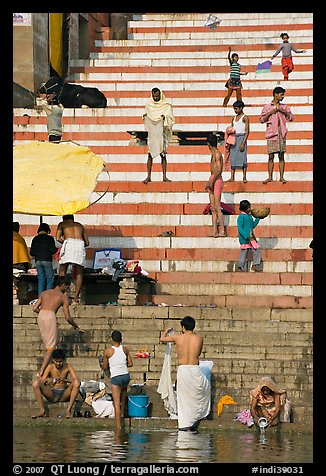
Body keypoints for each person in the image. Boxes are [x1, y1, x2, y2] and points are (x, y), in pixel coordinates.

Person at [160, 316, 211, 432]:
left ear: (183, 327)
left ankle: (185, 423)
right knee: (198, 393)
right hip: (194, 369)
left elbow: (162, 339)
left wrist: (166, 331)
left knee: (184, 398)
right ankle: (196, 417)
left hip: (183, 370)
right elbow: (198, 353)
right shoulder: (199, 338)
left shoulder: (178, 337)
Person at [33, 275, 83, 378]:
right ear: (63, 285)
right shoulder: (62, 297)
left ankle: (47, 367)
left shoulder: (44, 293)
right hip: (50, 315)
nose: (67, 289)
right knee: (50, 348)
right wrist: (76, 325)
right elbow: (67, 317)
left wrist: (44, 313)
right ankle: (41, 371)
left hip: (41, 315)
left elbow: (35, 308)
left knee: (48, 343)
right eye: (67, 286)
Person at [31, 349, 81, 419]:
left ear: (64, 360)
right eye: (56, 361)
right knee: (35, 383)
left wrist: (66, 380)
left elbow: (76, 380)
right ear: (53, 360)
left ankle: (68, 410)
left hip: (64, 394)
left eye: (60, 361)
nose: (58, 363)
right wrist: (49, 380)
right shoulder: (50, 367)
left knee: (76, 383)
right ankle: (42, 411)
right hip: (52, 394)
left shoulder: (68, 367)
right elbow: (42, 381)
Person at [100, 330, 133, 432]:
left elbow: (105, 367)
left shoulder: (108, 352)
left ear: (111, 340)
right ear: (121, 339)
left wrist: (102, 364)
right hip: (126, 376)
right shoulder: (125, 349)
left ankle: (118, 427)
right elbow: (130, 364)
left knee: (116, 402)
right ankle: (122, 414)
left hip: (116, 377)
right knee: (123, 394)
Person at [260, 86, 293, 184]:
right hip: (271, 133)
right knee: (271, 156)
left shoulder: (285, 107)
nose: (283, 97)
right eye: (281, 95)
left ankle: (281, 177)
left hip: (281, 133)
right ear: (275, 94)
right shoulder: (267, 107)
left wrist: (283, 111)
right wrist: (271, 112)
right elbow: (262, 120)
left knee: (281, 155)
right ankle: (270, 177)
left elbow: (291, 118)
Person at [142, 87, 175, 183]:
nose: (155, 98)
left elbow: (170, 116)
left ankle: (164, 176)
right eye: (154, 96)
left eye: (157, 96)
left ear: (160, 95)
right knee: (150, 154)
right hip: (153, 132)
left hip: (162, 131)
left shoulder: (166, 105)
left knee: (163, 154)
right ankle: (148, 176)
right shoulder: (149, 104)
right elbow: (147, 114)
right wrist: (145, 117)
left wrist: (164, 118)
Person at [55, 214, 89, 304]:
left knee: (62, 270)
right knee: (79, 273)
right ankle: (75, 299)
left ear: (63, 218)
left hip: (68, 243)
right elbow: (87, 243)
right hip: (80, 244)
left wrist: (66, 242)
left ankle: (63, 296)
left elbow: (57, 238)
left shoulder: (62, 224)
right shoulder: (80, 225)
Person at [205, 133, 226, 237]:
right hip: (212, 178)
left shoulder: (217, 154)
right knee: (212, 207)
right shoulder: (213, 154)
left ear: (208, 144)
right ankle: (214, 231)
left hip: (217, 180)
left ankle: (222, 230)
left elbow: (219, 170)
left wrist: (211, 182)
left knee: (217, 207)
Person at [30, 223, 58, 296]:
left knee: (41, 279)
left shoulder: (35, 239)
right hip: (47, 260)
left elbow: (32, 252)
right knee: (49, 279)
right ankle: (48, 297)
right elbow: (53, 250)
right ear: (48, 230)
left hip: (38, 261)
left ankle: (40, 298)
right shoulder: (50, 238)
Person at [226, 100, 250, 183]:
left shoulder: (245, 117)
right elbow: (232, 127)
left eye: (236, 109)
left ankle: (244, 177)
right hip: (234, 138)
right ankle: (232, 177)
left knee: (243, 158)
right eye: (234, 109)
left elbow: (247, 131)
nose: (235, 110)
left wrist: (243, 142)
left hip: (241, 137)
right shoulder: (234, 118)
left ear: (241, 108)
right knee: (233, 158)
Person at [237, 200, 262, 272]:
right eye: (248, 208)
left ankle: (255, 264)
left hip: (251, 237)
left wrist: (258, 218)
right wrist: (245, 235)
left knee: (256, 249)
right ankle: (240, 266)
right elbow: (240, 228)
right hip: (245, 238)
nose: (250, 209)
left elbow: (253, 225)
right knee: (244, 252)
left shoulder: (250, 216)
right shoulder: (241, 217)